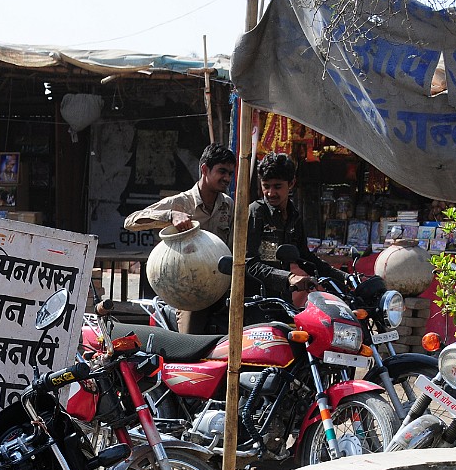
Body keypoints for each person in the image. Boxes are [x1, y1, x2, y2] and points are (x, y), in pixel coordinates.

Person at [124, 143, 236, 334]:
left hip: (221, 287)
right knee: (190, 346)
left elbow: (232, 246)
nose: (226, 178)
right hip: (190, 291)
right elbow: (130, 221)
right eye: (222, 171)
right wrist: (170, 216)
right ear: (204, 169)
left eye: (230, 173)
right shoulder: (181, 202)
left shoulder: (228, 204)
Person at [245, 152, 331, 307]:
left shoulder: (294, 216)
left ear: (291, 183)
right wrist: (289, 278)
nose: (271, 193)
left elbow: (305, 258)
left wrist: (343, 278)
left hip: (283, 301)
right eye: (266, 186)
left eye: (277, 186)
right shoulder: (256, 212)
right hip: (255, 302)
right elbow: (249, 263)